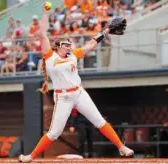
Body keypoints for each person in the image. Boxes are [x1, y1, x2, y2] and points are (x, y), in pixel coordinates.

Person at [19, 3, 133, 163]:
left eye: (69, 43)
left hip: (79, 93)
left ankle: (121, 147)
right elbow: (41, 34)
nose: (68, 45)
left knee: (99, 121)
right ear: (58, 47)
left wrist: (105, 31)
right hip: (63, 98)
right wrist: (45, 14)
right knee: (54, 133)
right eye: (65, 44)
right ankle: (30, 156)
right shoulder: (50, 57)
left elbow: (91, 44)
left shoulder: (74, 55)